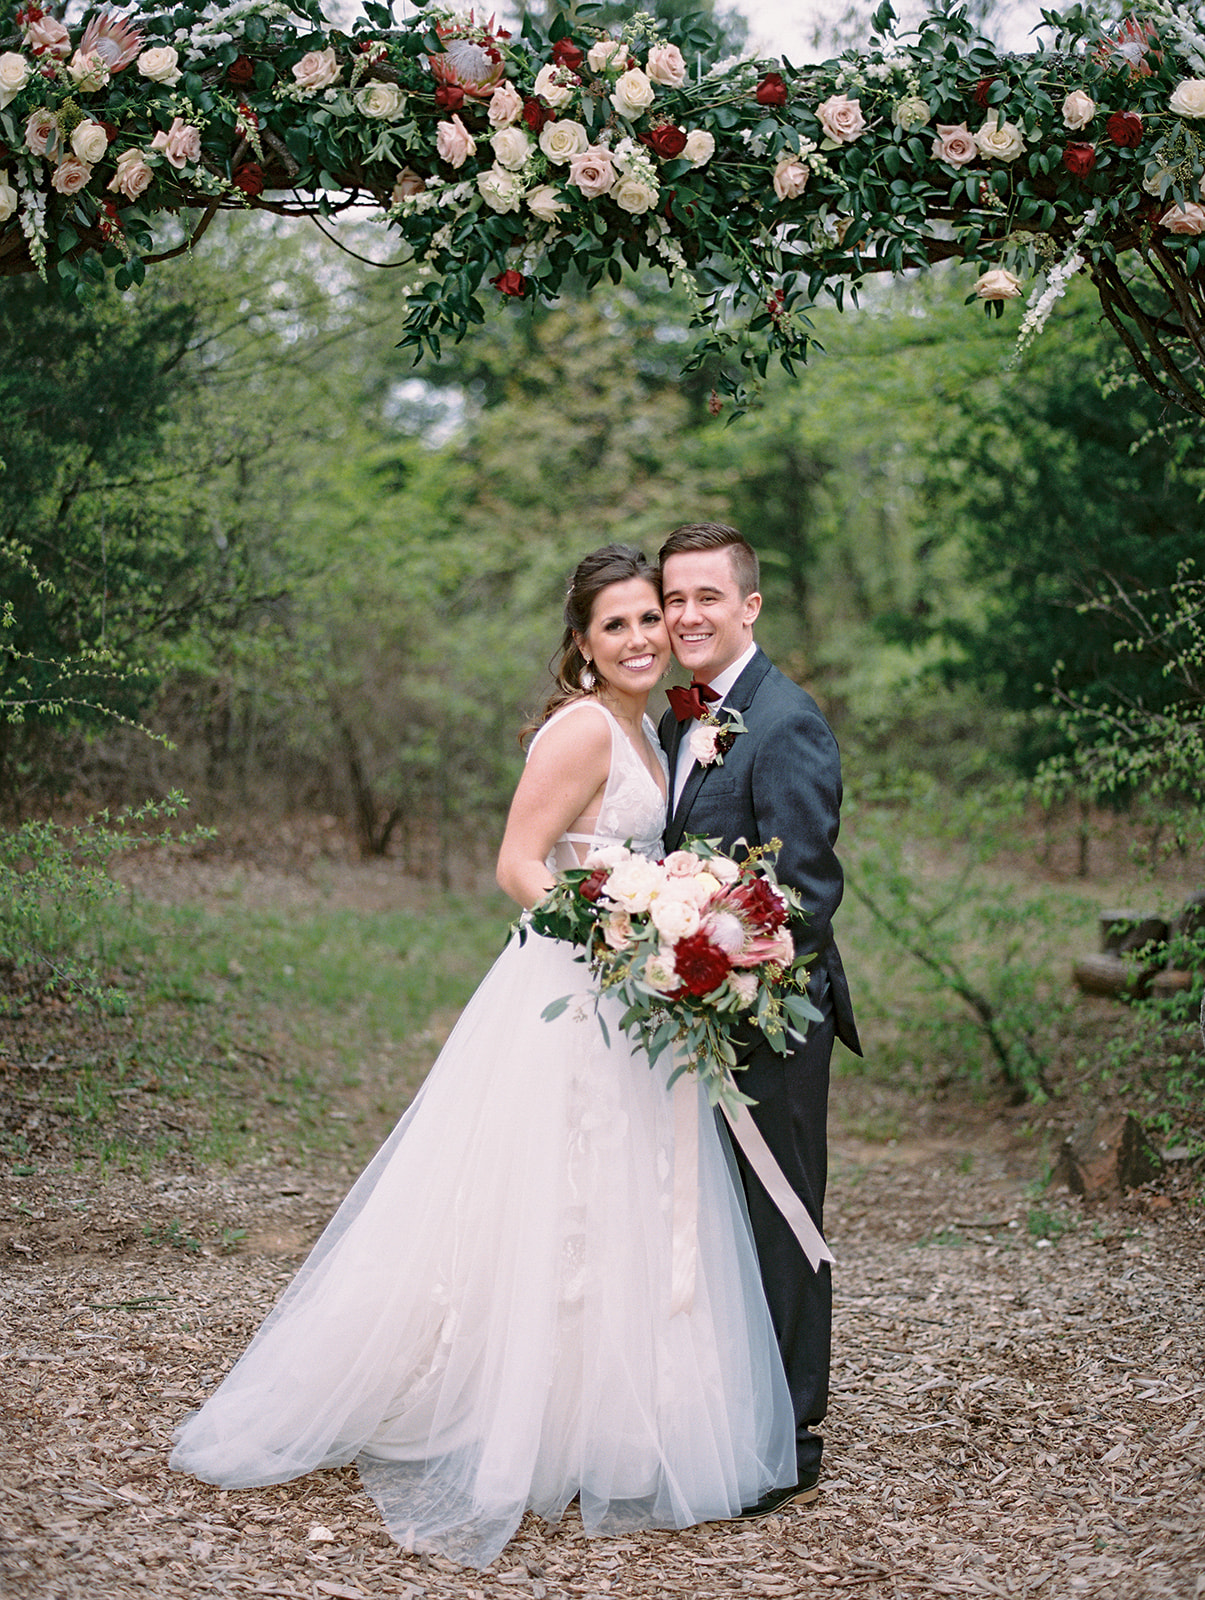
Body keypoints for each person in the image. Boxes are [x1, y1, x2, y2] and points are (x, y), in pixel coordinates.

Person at [170, 543, 796, 1570]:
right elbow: (514, 859)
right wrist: (616, 932)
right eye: (617, 625)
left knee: (624, 1200)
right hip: (569, 989)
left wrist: (672, 931)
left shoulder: (657, 733)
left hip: (632, 1002)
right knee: (554, 1197)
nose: (641, 637)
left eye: (651, 618)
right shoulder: (582, 727)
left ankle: (612, 1420)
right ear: (582, 648)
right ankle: (516, 1416)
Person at [656, 522, 861, 1519]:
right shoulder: (679, 718)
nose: (685, 615)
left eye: (705, 596)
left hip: (770, 1014)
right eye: (671, 599)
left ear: (748, 606)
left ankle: (792, 1432)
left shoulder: (784, 722)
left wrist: (714, 948)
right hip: (692, 1008)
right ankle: (723, 1406)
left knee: (779, 1212)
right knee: (712, 1215)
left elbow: (805, 890)